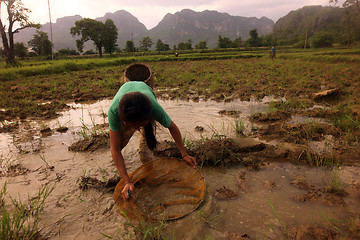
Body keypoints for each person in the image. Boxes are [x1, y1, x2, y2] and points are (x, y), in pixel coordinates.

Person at [108, 75, 197, 202]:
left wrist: (184, 154)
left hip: (143, 107)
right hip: (128, 114)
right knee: (119, 145)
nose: (138, 129)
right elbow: (115, 150)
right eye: (135, 126)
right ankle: (123, 170)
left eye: (141, 125)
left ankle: (149, 177)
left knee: (145, 151)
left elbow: (173, 127)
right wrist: (126, 180)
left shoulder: (153, 108)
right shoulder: (114, 112)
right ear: (124, 123)